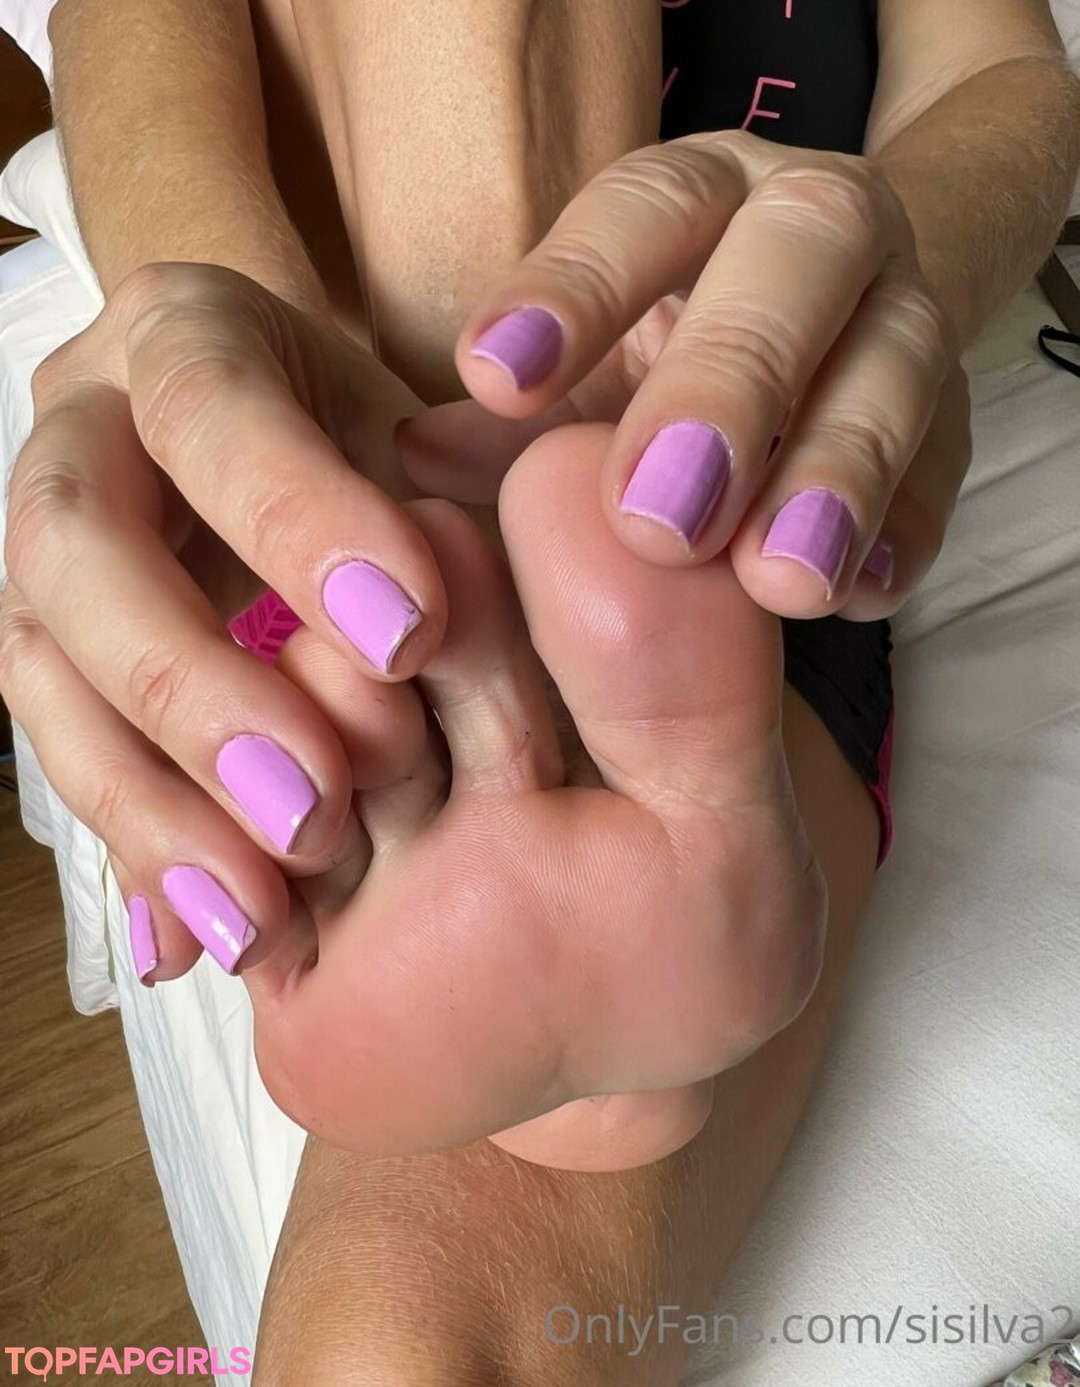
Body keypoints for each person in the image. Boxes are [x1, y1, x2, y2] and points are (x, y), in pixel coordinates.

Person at [0, 0, 1076, 1379]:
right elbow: (134, 49)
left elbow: (1006, 75)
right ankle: (440, 554)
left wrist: (879, 255)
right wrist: (225, 388)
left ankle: (456, 588)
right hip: (619, 536)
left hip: (740, 451)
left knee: (413, 1351)